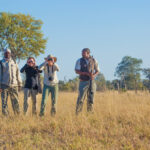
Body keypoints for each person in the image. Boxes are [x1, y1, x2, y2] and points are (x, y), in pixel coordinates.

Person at [75, 48, 100, 114]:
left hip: (92, 81)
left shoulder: (94, 60)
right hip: (83, 81)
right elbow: (76, 71)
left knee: (91, 98)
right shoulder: (79, 60)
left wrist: (93, 76)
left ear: (88, 53)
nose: (82, 54)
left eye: (84, 53)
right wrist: (85, 73)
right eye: (82, 52)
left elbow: (98, 71)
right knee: (81, 98)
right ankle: (78, 113)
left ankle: (90, 113)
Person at [0, 48, 22, 116]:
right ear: (4, 54)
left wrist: (20, 84)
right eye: (6, 52)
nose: (7, 54)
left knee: (15, 102)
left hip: (14, 85)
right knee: (4, 103)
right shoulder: (1, 63)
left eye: (8, 52)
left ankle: (17, 116)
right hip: (4, 85)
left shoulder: (14, 62)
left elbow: (18, 74)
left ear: (10, 54)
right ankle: (5, 117)